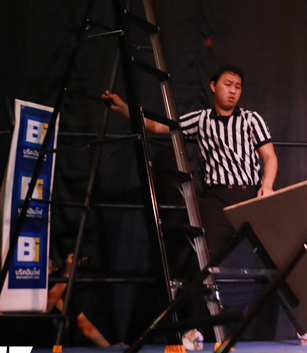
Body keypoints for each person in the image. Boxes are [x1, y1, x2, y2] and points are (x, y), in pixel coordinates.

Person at [103, 64, 277, 258]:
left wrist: (267, 185)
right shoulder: (201, 119)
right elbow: (158, 126)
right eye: (228, 84)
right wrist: (126, 109)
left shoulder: (251, 119)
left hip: (250, 194)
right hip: (217, 197)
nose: (233, 91)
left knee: (268, 252)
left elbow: (269, 156)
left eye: (238, 86)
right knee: (208, 256)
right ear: (213, 86)